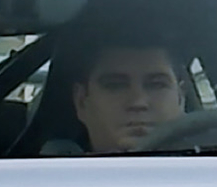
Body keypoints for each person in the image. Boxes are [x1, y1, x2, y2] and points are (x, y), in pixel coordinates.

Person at [55, 36, 187, 156]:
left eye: (157, 85)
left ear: (180, 98)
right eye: (115, 86)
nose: (138, 102)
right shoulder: (49, 177)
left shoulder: (206, 167)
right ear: (82, 101)